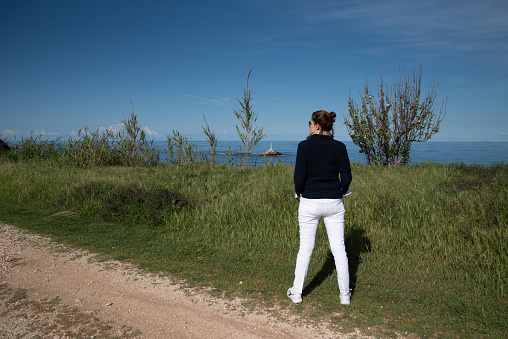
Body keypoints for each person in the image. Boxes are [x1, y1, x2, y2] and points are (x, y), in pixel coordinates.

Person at [288, 110, 352, 305]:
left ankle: (297, 293)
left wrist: (299, 192)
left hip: (310, 202)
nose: (308, 126)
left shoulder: (304, 146)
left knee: (305, 248)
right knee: (339, 249)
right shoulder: (339, 147)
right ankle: (345, 296)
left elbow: (299, 176)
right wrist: (339, 191)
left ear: (316, 125)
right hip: (334, 202)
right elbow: (347, 176)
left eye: (310, 124)